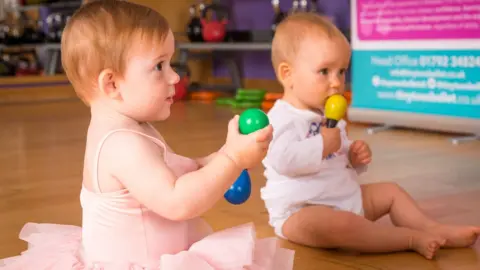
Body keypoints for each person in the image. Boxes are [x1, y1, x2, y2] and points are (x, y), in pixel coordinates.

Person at [0, 1, 295, 269]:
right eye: (159, 66)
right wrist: (231, 159)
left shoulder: (132, 128)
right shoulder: (121, 144)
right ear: (112, 84)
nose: (175, 76)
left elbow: (177, 174)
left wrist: (225, 159)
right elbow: (177, 200)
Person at [260, 12, 480, 260]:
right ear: (287, 74)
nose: (336, 83)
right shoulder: (281, 119)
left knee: (391, 192)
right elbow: (283, 161)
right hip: (300, 211)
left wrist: (353, 156)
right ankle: (408, 238)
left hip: (345, 198)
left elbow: (337, 159)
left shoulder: (329, 114)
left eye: (341, 71)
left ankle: (432, 228)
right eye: (324, 71)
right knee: (341, 226)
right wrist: (322, 144)